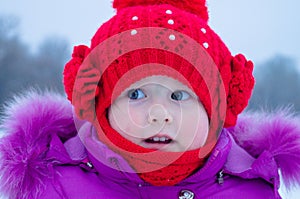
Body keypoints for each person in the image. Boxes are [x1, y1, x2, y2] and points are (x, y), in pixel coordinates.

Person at [1, 0, 300, 198]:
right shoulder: (51, 184)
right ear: (99, 106)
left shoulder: (251, 190)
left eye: (179, 95)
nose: (159, 113)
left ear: (215, 112)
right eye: (136, 93)